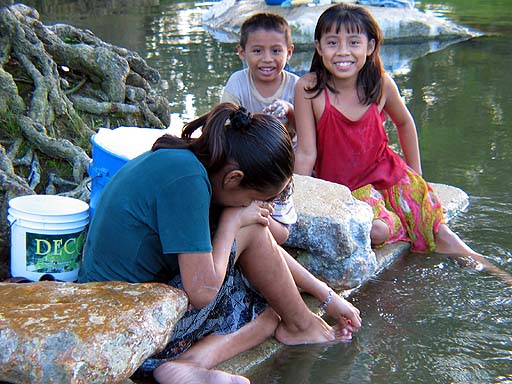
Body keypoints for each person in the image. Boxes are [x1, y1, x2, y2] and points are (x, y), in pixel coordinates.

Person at [79, 102, 362, 384]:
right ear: (234, 178)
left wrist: (326, 296)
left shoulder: (194, 162)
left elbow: (262, 246)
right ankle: (298, 326)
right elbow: (202, 291)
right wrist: (232, 222)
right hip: (126, 333)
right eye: (255, 198)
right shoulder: (187, 181)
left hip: (116, 308)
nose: (256, 207)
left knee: (269, 316)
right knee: (266, 309)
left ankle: (191, 364)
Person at [293, 3, 512, 284]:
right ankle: (395, 223)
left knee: (442, 235)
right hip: (349, 190)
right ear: (319, 47)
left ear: (370, 47)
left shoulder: (380, 84)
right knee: (376, 233)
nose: (343, 51)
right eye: (333, 43)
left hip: (390, 176)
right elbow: (307, 152)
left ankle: (497, 275)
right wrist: (300, 207)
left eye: (354, 42)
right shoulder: (309, 89)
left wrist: (417, 175)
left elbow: (406, 123)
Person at [221, 12, 300, 244]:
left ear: (290, 52)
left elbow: (307, 133)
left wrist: (290, 110)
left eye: (276, 51)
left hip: (283, 162)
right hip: (248, 159)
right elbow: (223, 125)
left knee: (282, 230)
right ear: (242, 53)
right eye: (257, 51)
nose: (267, 59)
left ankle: (270, 221)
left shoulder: (295, 85)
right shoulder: (238, 82)